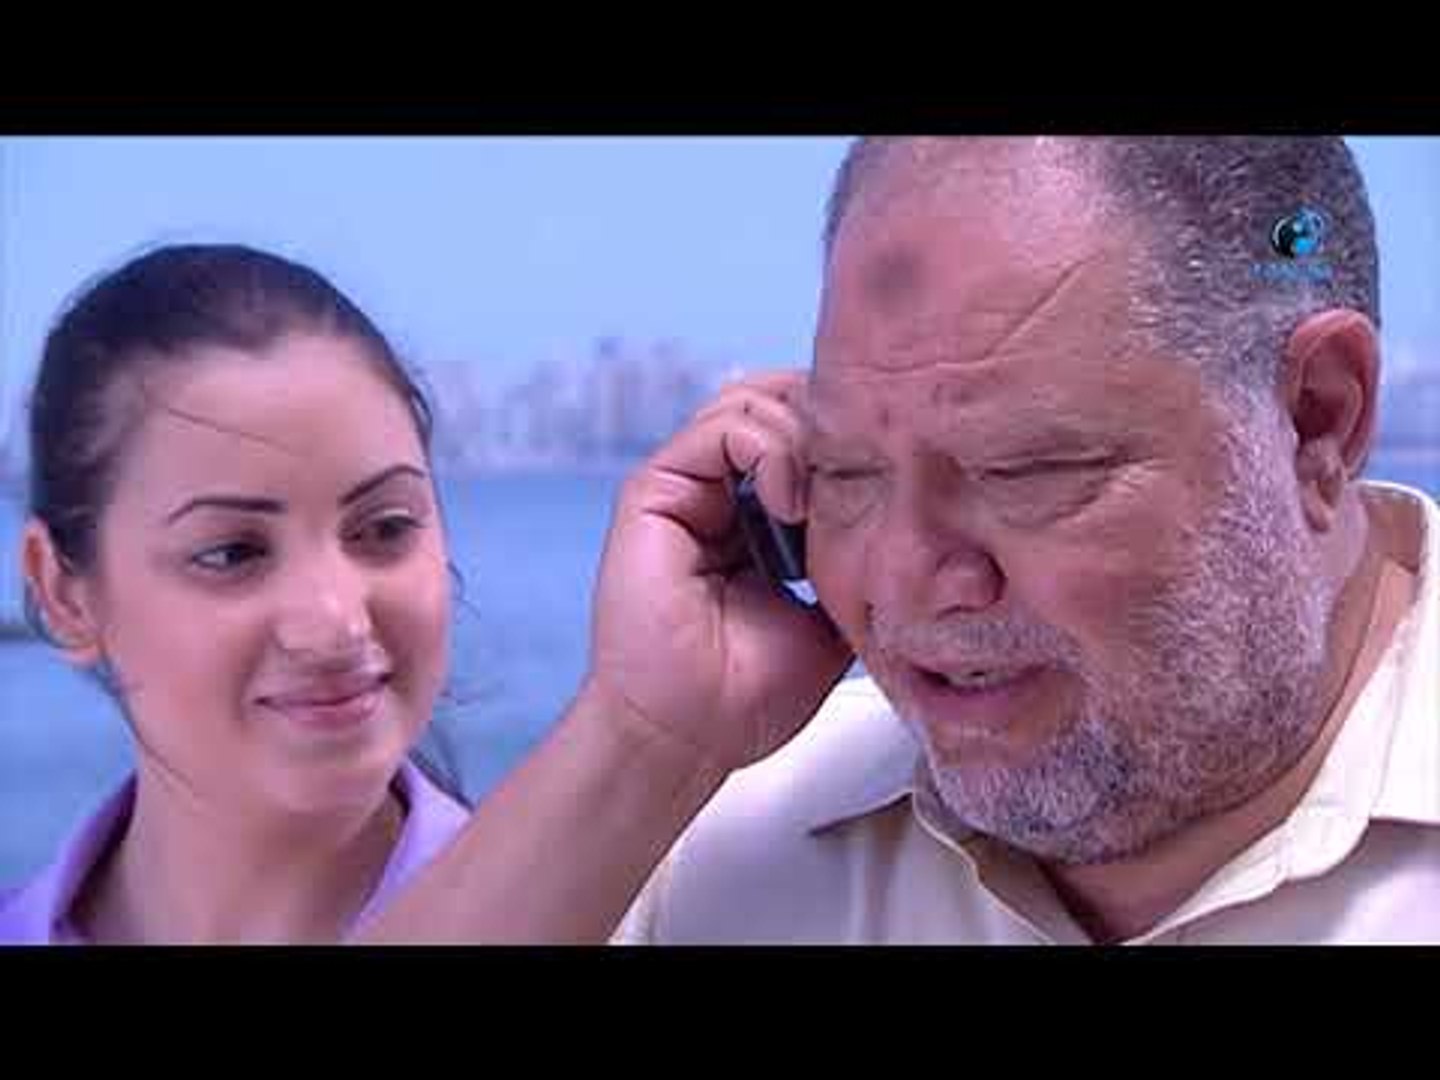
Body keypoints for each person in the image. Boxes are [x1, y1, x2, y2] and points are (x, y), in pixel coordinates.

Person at [367, 136, 1440, 945]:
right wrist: (644, 739)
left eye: (1024, 470)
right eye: (845, 475)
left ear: (1315, 421)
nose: (904, 578)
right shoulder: (725, 833)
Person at [0, 244, 471, 943]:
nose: (336, 621)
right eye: (231, 553)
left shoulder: (593, 916)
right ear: (64, 593)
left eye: (385, 528)